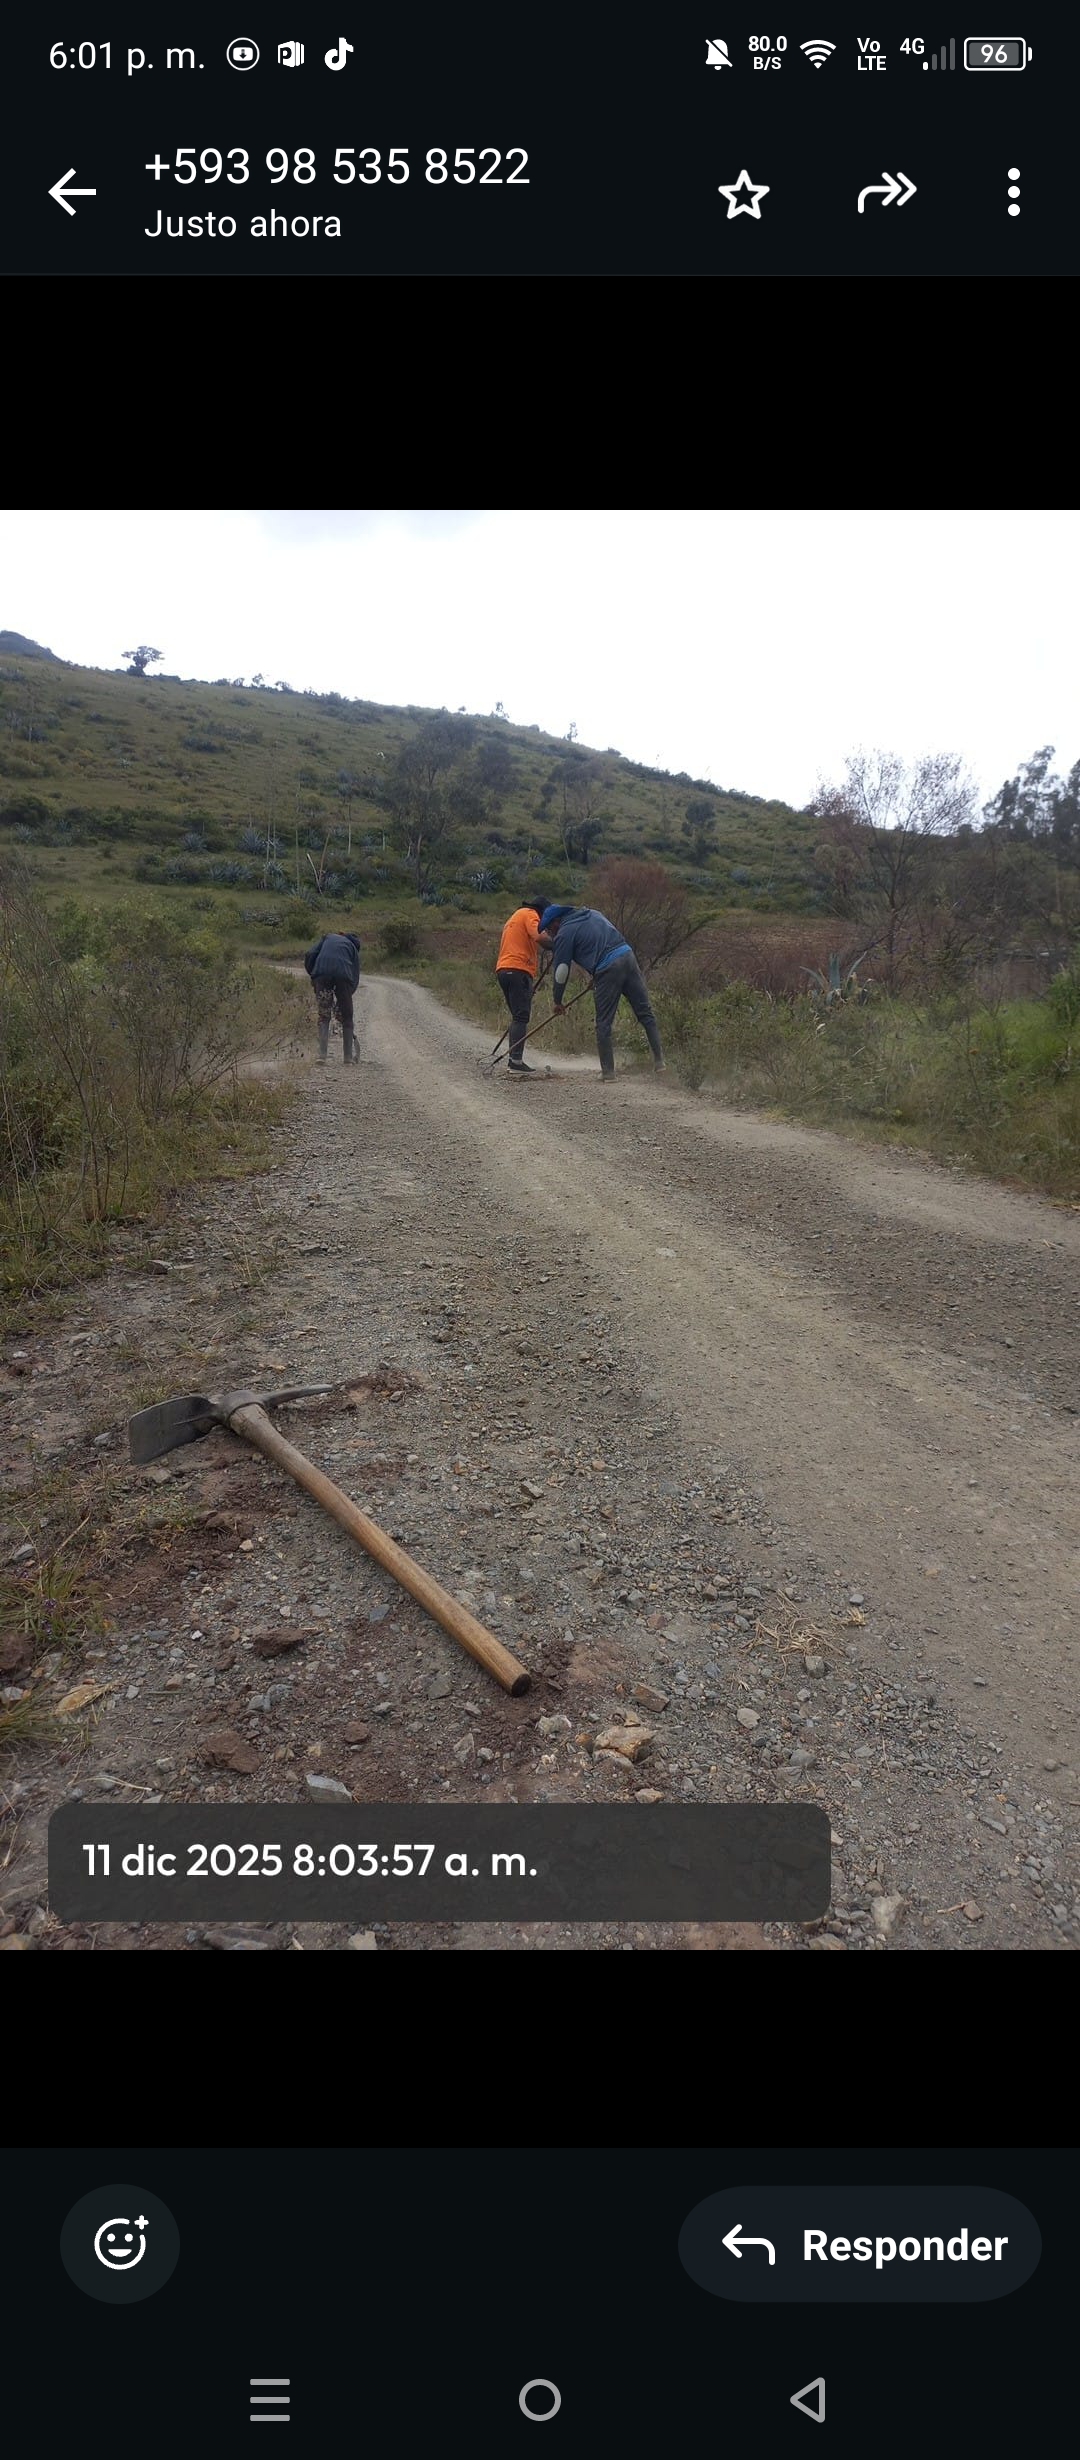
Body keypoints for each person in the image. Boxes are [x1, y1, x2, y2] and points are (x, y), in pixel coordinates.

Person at [538, 904, 666, 1078]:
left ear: (556, 922)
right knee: (645, 1013)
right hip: (628, 957)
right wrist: (596, 974)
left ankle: (608, 1072)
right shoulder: (593, 913)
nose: (549, 933)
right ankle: (660, 1063)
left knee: (603, 1023)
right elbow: (603, 943)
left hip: (607, 967)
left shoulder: (564, 933)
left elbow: (561, 970)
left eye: (548, 928)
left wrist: (557, 1000)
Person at [494, 897, 552, 1074]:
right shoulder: (530, 914)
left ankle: (514, 1060)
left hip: (504, 970)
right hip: (518, 969)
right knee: (521, 1016)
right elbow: (539, 936)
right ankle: (515, 1063)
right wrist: (559, 945)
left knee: (517, 1015)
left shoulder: (515, 917)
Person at [304, 928, 361, 1063]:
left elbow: (310, 954)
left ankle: (322, 1055)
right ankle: (348, 1057)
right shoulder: (353, 949)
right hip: (343, 978)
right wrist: (343, 1003)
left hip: (322, 974)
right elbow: (355, 977)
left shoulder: (328, 937)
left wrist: (314, 975)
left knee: (324, 1015)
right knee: (347, 1018)